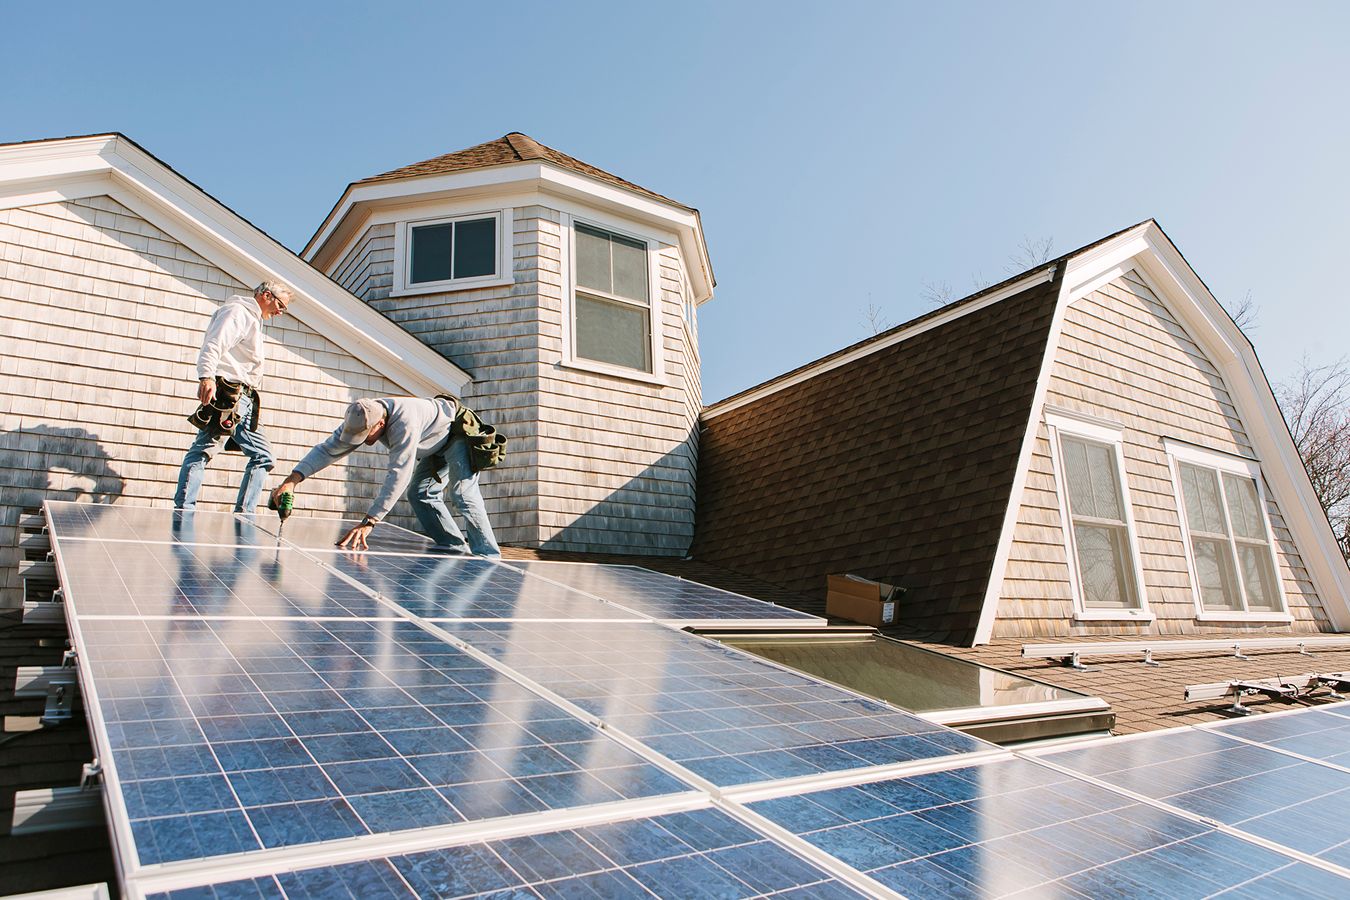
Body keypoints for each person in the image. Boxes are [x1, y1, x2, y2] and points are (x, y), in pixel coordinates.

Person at [271, 396, 500, 556]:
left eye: (366, 434)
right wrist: (291, 482)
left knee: (462, 494)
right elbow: (327, 449)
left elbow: (399, 473)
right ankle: (454, 547)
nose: (363, 440)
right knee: (419, 494)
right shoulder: (360, 416)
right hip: (431, 443)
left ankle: (487, 556)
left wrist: (370, 522)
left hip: (455, 434)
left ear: (380, 423)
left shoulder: (404, 423)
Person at [174, 281, 291, 511]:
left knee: (264, 455)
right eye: (280, 305)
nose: (280, 312)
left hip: (245, 399)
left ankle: (245, 514)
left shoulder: (254, 320)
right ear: (267, 295)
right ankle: (184, 510)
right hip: (228, 394)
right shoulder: (238, 312)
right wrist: (206, 376)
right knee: (204, 449)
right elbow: (214, 343)